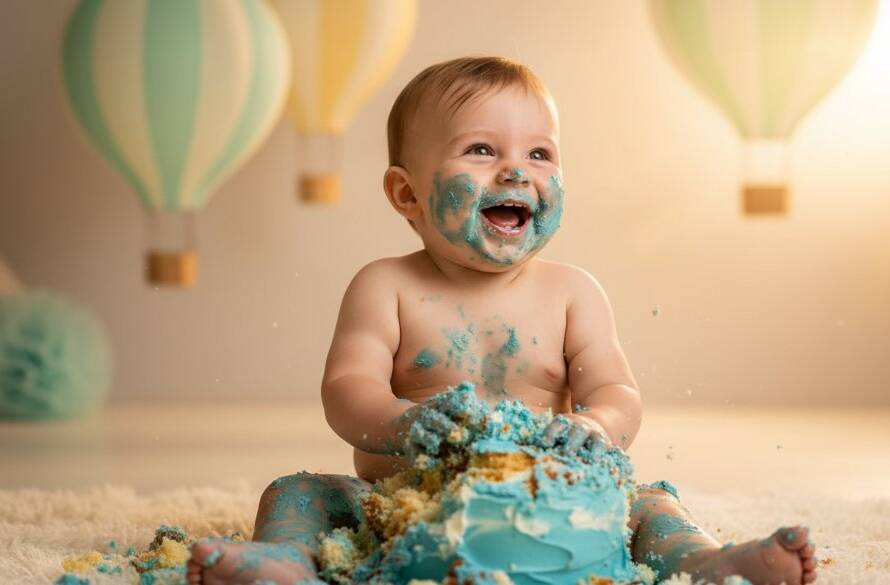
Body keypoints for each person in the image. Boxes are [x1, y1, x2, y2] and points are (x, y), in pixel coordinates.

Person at [187, 56, 817, 585]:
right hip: (403, 503)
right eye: (482, 150)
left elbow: (616, 391)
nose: (516, 170)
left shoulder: (574, 292)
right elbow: (346, 391)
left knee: (650, 503)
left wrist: (596, 425)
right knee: (299, 493)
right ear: (408, 194)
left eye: (540, 153)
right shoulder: (386, 285)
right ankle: (290, 559)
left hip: (557, 494)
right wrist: (401, 424)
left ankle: (708, 563)